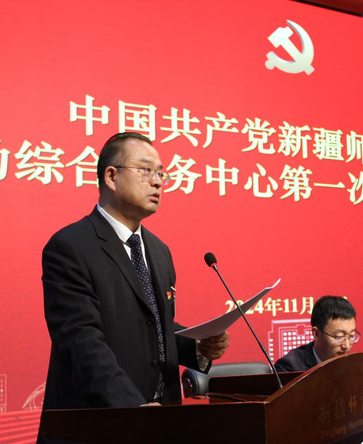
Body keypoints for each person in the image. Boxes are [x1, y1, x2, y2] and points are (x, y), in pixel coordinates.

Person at [39, 132, 230, 420]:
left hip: (161, 420)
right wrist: (132, 408)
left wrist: (197, 347)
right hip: (101, 423)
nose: (157, 182)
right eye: (145, 170)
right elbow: (81, 342)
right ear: (111, 176)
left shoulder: (159, 250)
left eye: (161, 173)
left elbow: (153, 326)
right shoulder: (71, 246)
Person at [275, 296, 363, 440]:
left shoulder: (354, 364)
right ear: (316, 334)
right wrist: (356, 430)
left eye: (351, 336)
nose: (346, 346)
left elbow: (362, 404)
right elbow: (294, 423)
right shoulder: (290, 367)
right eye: (338, 337)